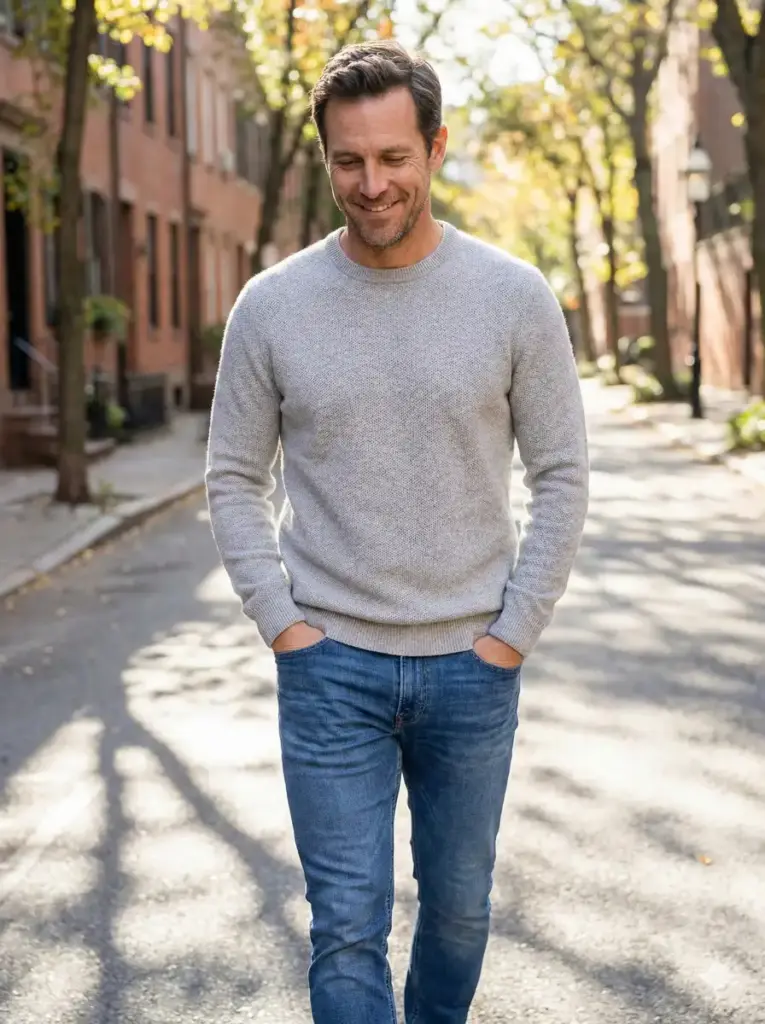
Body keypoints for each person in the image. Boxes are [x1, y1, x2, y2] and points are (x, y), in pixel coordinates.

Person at [206, 39, 589, 1024]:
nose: (370, 184)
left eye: (392, 158)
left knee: (460, 914)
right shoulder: (272, 307)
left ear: (435, 147)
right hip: (330, 667)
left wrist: (510, 636)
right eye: (347, 161)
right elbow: (234, 477)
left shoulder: (512, 298)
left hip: (473, 663)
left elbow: (562, 474)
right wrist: (285, 627)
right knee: (344, 927)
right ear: (327, 156)